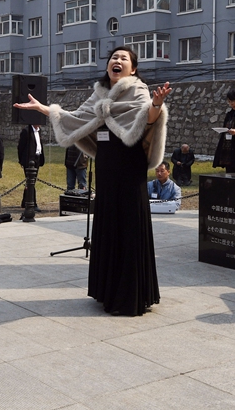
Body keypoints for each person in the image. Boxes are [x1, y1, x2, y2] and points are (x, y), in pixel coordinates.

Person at [16, 46, 170, 316]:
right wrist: (43, 108)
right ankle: (106, 291)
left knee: (129, 225)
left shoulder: (139, 90)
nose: (117, 61)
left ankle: (130, 296)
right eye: (114, 58)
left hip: (130, 169)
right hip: (107, 169)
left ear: (132, 69)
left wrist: (157, 105)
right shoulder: (98, 94)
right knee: (108, 225)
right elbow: (75, 119)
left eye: (123, 58)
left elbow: (148, 119)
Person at [17, 122, 45, 208]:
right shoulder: (26, 131)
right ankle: (32, 203)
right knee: (30, 181)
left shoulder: (38, 131)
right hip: (29, 160)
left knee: (32, 181)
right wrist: (21, 160)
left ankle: (25, 201)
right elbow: (20, 147)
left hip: (37, 158)